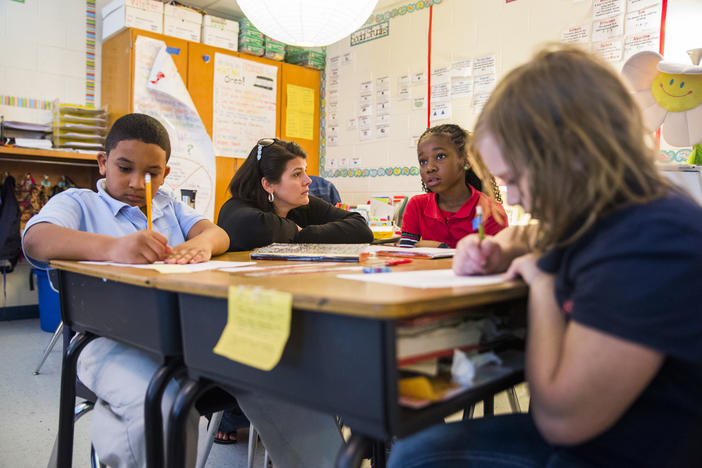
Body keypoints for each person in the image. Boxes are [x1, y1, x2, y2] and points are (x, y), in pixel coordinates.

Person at [388, 45, 702, 468]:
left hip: (619, 451)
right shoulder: (610, 214)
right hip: (607, 435)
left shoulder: (652, 237)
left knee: (415, 455)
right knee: (414, 431)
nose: (512, 196)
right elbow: (535, 234)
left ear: (572, 156)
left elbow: (561, 419)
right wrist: (501, 246)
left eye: (516, 178)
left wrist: (543, 285)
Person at [22, 113, 230, 468]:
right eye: (125, 167)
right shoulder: (80, 203)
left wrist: (203, 245)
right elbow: (35, 238)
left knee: (281, 380)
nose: (138, 183)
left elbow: (218, 234)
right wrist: (113, 248)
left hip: (182, 337)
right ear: (103, 163)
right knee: (160, 400)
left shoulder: (169, 207)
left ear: (165, 174)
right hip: (102, 341)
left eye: (152, 173)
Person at [218, 137, 373, 251]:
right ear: (268, 184)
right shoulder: (236, 209)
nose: (308, 181)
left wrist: (303, 234)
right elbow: (262, 227)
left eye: (305, 171)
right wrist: (296, 231)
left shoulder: (302, 204)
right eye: (297, 174)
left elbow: (360, 228)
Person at [398, 124, 508, 248]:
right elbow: (407, 254)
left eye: (440, 156)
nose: (429, 168)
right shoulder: (417, 206)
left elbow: (491, 262)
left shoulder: (490, 211)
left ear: (466, 161)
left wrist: (441, 248)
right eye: (423, 161)